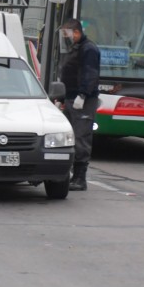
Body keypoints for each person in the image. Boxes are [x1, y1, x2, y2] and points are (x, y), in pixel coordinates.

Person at [58, 18, 100, 191]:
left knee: (81, 137)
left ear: (76, 32)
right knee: (66, 137)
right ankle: (66, 174)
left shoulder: (88, 49)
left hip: (83, 99)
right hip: (70, 97)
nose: (65, 37)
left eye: (67, 34)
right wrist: (61, 97)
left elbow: (90, 74)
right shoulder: (73, 47)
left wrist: (83, 94)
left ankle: (80, 178)